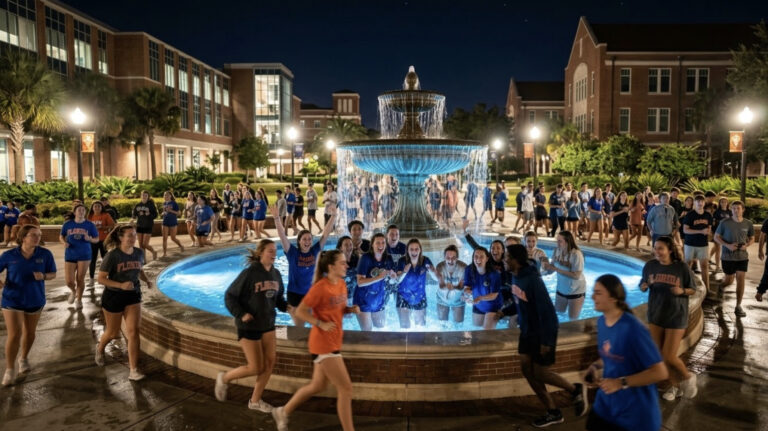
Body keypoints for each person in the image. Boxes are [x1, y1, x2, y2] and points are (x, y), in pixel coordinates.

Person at [271, 249, 360, 431]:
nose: (347, 265)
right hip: (323, 345)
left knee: (317, 385)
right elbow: (300, 311)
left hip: (334, 341)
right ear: (331, 267)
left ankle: (283, 411)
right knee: (346, 389)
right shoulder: (320, 288)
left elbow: (338, 309)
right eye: (342, 263)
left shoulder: (341, 284)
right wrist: (320, 323)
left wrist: (350, 310)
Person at [505, 244, 587, 427]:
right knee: (527, 371)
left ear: (516, 260)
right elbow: (520, 301)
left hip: (541, 333)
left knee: (541, 373)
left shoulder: (533, 280)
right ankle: (552, 411)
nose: (505, 260)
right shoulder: (515, 276)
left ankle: (574, 389)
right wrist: (504, 311)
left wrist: (547, 342)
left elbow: (549, 314)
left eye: (508, 257)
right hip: (527, 332)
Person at [584, 274, 668, 431]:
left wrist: (620, 383)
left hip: (634, 413)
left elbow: (660, 372)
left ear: (613, 298)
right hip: (607, 404)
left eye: (598, 293)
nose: (592, 296)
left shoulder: (633, 329)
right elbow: (614, 355)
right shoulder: (602, 322)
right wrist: (595, 366)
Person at [216, 239, 288, 412]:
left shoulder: (276, 274)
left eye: (275, 250)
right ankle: (224, 378)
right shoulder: (249, 273)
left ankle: (255, 401)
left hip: (268, 324)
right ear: (261, 253)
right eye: (270, 251)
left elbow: (278, 299)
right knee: (256, 367)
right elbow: (230, 296)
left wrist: (289, 307)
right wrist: (241, 314)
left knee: (269, 363)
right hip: (249, 326)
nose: (274, 254)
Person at [639, 236, 698, 401]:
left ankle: (687, 377)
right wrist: (644, 286)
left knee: (669, 355)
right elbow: (643, 284)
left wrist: (682, 291)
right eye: (655, 248)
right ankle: (674, 386)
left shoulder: (681, 267)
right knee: (658, 355)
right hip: (656, 314)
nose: (656, 251)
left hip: (676, 315)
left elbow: (693, 289)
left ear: (670, 250)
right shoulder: (650, 266)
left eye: (660, 248)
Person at [95, 224, 153, 381]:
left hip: (133, 295)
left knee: (133, 331)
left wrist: (146, 280)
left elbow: (139, 269)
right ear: (121, 238)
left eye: (134, 234)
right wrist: (120, 285)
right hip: (113, 296)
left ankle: (133, 370)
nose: (133, 238)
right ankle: (100, 348)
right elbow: (101, 279)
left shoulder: (139, 252)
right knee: (113, 333)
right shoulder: (112, 256)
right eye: (130, 235)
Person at [0, 225, 56, 386]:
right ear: (23, 237)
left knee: (30, 333)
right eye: (33, 235)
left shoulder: (45, 254)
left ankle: (23, 358)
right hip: (12, 299)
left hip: (35, 299)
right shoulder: (9, 255)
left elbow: (52, 274)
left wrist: (43, 276)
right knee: (14, 334)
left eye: (39, 235)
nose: (37, 238)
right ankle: (10, 369)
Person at [271, 203, 336, 326]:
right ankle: (280, 335)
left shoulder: (315, 251)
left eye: (309, 239)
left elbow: (325, 234)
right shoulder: (292, 253)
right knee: (299, 328)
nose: (307, 241)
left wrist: (333, 216)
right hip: (294, 295)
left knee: (312, 325)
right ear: (299, 241)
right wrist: (276, 218)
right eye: (304, 239)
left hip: (310, 294)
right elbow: (282, 236)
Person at [714, 200, 754, 317]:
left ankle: (738, 306)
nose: (736, 210)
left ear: (743, 210)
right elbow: (716, 237)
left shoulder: (748, 223)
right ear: (731, 210)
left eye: (738, 208)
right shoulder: (724, 222)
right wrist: (728, 245)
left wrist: (747, 245)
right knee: (729, 280)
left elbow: (752, 238)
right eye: (734, 208)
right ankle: (721, 287)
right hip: (727, 256)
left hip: (742, 257)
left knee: (740, 279)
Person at [60, 204, 99, 310]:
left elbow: (96, 239)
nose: (81, 212)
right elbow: (61, 236)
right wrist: (64, 242)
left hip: (84, 254)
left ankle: (79, 300)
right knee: (69, 281)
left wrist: (90, 239)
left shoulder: (90, 225)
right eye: (79, 210)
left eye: (83, 210)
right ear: (74, 212)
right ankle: (73, 291)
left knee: (80, 278)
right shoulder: (68, 224)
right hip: (70, 253)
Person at [354, 233, 396, 330]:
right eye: (377, 243)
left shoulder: (388, 259)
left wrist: (393, 277)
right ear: (372, 245)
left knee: (380, 329)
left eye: (383, 242)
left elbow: (391, 281)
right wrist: (378, 277)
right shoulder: (365, 258)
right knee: (367, 332)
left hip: (378, 298)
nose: (381, 245)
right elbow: (360, 282)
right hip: (363, 299)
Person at [542, 231, 586, 320]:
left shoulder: (576, 254)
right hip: (561, 289)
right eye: (557, 240)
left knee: (572, 320)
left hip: (575, 291)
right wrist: (544, 270)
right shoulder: (556, 251)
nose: (557, 243)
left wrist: (556, 269)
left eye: (560, 241)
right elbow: (552, 269)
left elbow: (576, 275)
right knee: (558, 315)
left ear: (567, 242)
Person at [395, 238, 435, 328]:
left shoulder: (425, 260)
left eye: (416, 249)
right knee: (405, 327)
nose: (414, 251)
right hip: (403, 296)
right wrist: (404, 272)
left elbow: (436, 278)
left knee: (421, 327)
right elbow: (397, 280)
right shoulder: (402, 261)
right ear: (407, 251)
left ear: (420, 250)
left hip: (419, 297)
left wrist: (432, 272)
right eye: (411, 249)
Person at [463, 248, 503, 329]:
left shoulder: (494, 274)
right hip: (478, 305)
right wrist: (467, 295)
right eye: (476, 256)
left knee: (487, 333)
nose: (478, 259)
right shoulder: (469, 269)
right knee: (476, 331)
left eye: (481, 256)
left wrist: (480, 298)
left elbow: (494, 295)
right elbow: (467, 287)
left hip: (493, 306)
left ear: (487, 259)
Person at [683, 195, 712, 295]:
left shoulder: (708, 215)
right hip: (690, 243)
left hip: (703, 244)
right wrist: (700, 231)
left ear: (704, 203)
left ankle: (707, 289)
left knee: (704, 266)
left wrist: (708, 232)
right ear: (694, 203)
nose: (700, 203)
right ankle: (685, 286)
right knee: (688, 265)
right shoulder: (690, 215)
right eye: (698, 201)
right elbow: (685, 230)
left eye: (702, 201)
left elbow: (709, 227)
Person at [435, 245, 468, 323]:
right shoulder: (440, 266)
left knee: (458, 325)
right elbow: (441, 285)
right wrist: (447, 287)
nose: (451, 260)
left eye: (453, 258)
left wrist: (453, 287)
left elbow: (461, 286)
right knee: (442, 325)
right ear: (444, 257)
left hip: (458, 300)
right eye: (448, 258)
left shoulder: (464, 267)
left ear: (457, 258)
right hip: (442, 299)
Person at [87, 201, 116, 285]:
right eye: (95, 206)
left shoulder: (105, 215)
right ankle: (91, 278)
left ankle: (107, 276)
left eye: (99, 206)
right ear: (92, 208)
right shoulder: (89, 216)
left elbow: (113, 225)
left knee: (105, 259)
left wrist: (103, 227)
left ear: (101, 207)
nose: (97, 208)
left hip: (103, 240)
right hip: (93, 240)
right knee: (92, 259)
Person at [132, 191, 158, 260]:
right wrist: (132, 219)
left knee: (145, 244)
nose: (144, 196)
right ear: (141, 196)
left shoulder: (151, 205)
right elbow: (134, 215)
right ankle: (143, 260)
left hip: (148, 225)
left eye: (145, 195)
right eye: (143, 195)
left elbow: (155, 215)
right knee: (141, 245)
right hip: (139, 225)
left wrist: (149, 214)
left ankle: (154, 251)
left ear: (148, 196)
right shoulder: (137, 205)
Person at [160, 191, 184, 257]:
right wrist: (163, 213)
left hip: (173, 222)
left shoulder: (174, 203)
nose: (166, 196)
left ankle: (181, 246)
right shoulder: (164, 203)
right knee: (164, 238)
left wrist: (170, 211)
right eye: (165, 195)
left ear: (170, 196)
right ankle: (164, 253)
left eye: (167, 195)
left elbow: (179, 213)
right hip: (165, 222)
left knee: (173, 238)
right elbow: (164, 212)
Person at [710, 197, 730, 273]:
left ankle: (709, 257)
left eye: (725, 202)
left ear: (727, 203)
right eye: (722, 202)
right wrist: (712, 232)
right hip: (717, 232)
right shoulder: (717, 212)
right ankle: (717, 267)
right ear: (719, 203)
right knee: (718, 249)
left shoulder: (730, 212)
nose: (724, 203)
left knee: (718, 248)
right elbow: (713, 223)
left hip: (727, 233)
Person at [336, 236, 359, 301]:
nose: (349, 247)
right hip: (340, 298)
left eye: (350, 244)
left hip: (354, 296)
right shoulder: (336, 262)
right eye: (346, 245)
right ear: (341, 248)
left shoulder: (357, 259)